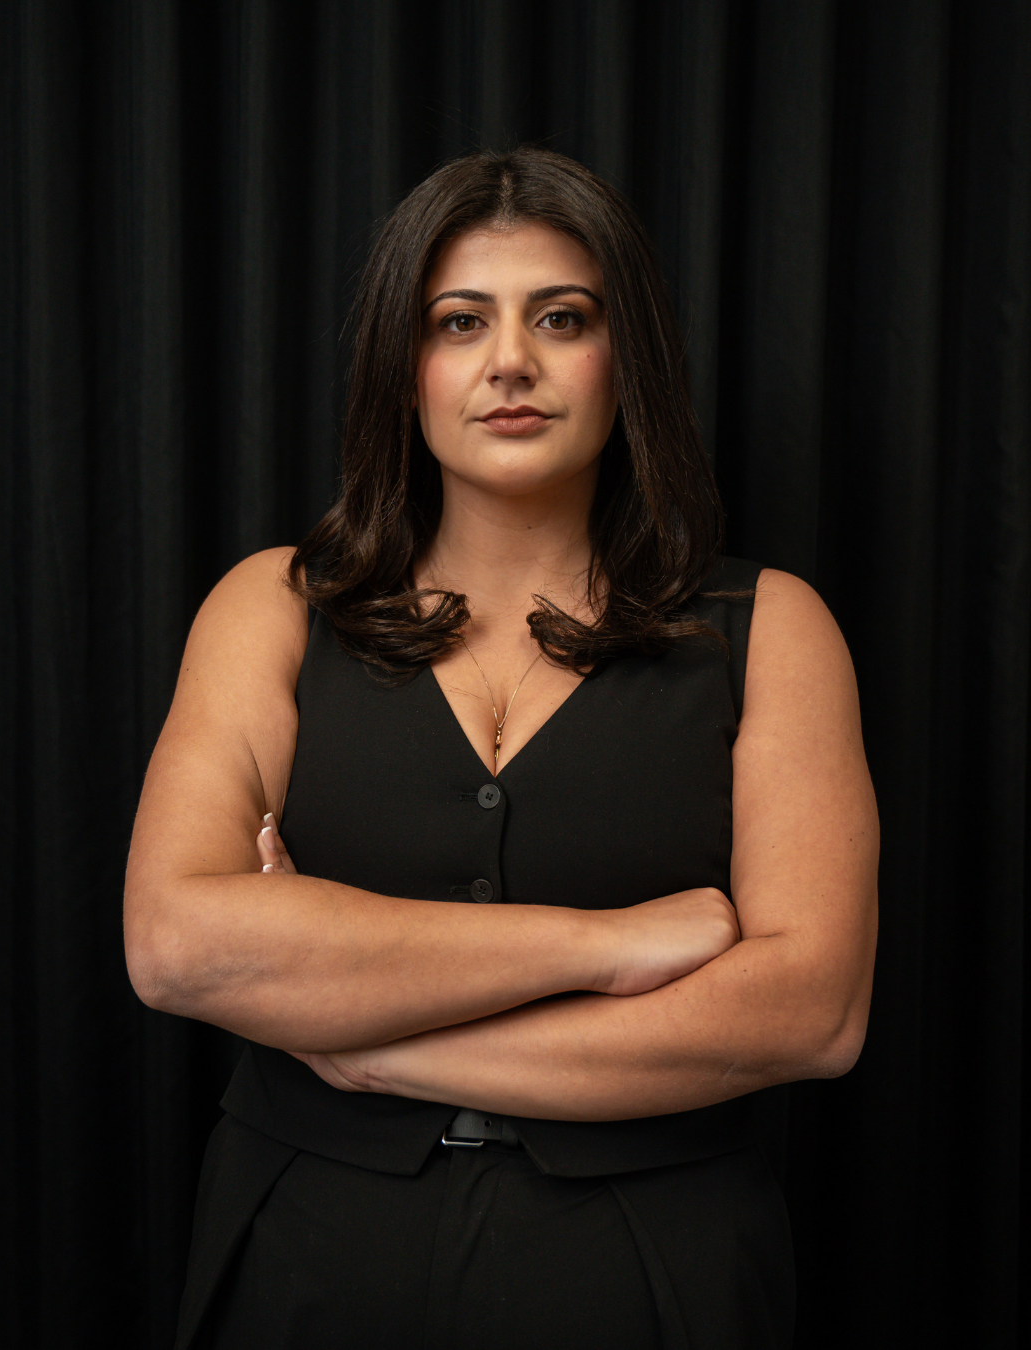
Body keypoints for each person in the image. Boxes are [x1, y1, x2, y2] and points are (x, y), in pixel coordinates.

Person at [124, 146, 878, 1349]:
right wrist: (618, 945)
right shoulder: (273, 606)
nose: (509, 363)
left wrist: (375, 1043)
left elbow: (809, 1013)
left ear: (626, 359)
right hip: (307, 1259)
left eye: (562, 319)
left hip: (652, 1271)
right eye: (459, 321)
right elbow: (177, 946)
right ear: (402, 368)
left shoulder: (769, 629)